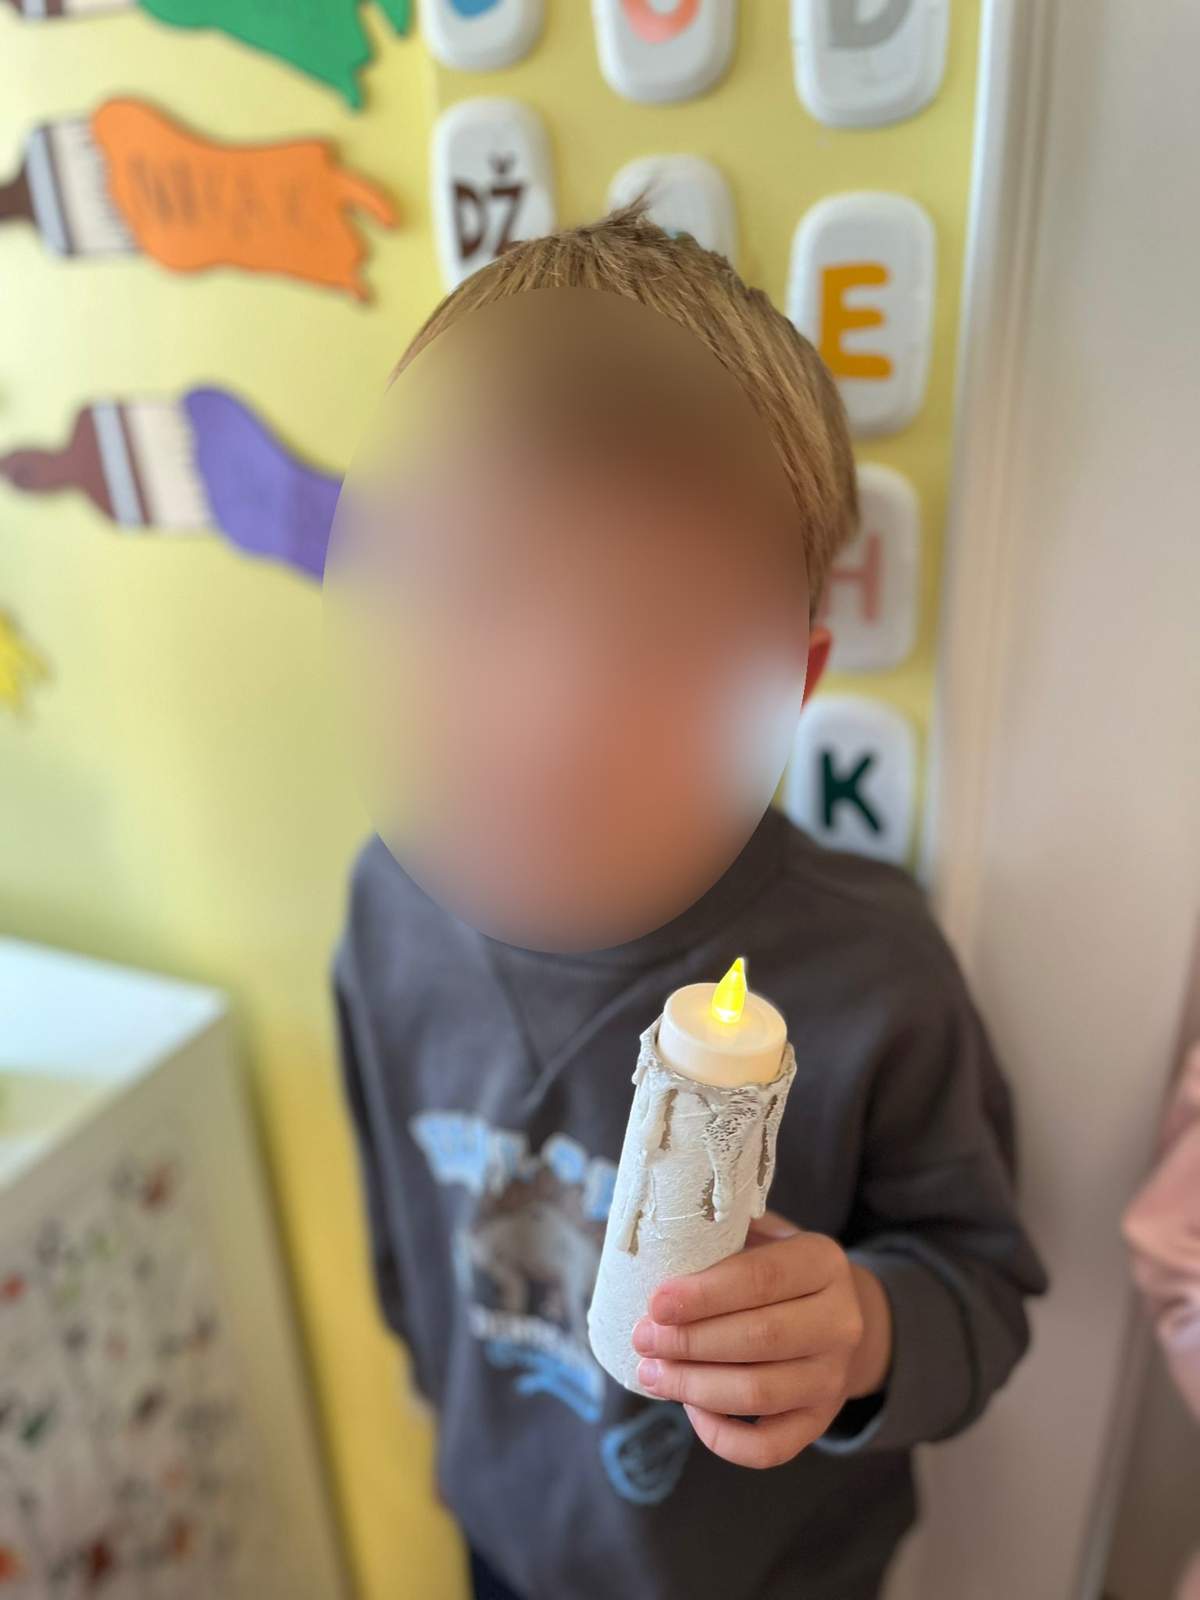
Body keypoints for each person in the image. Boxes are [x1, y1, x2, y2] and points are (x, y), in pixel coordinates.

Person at [331, 206, 1048, 1600]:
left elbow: (985, 1290)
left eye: (657, 635)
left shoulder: (872, 970)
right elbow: (400, 1243)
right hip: (508, 1544)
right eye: (483, 598)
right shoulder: (387, 908)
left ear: (784, 684)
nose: (558, 718)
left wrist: (861, 1329)